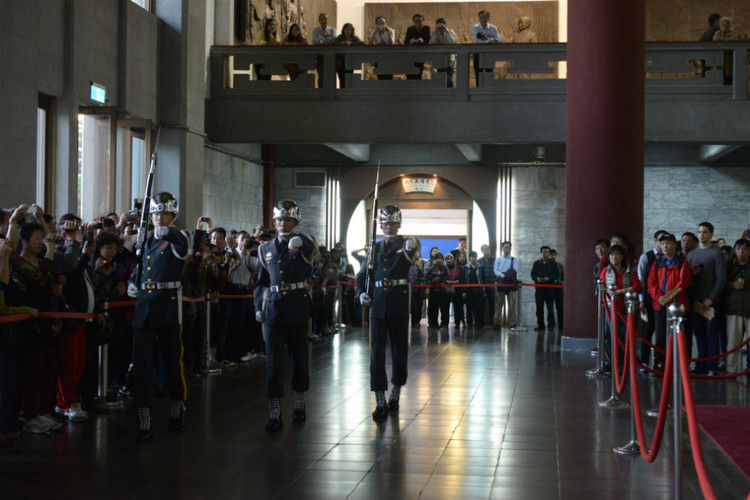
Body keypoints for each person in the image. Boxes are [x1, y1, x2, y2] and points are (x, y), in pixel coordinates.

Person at [127, 192, 203, 442]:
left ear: (173, 216)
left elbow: (186, 251)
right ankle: (145, 417)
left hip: (169, 305)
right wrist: (133, 281)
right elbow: (143, 268)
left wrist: (168, 233)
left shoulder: (178, 236)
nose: (159, 218)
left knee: (172, 361)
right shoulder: (146, 240)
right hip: (145, 306)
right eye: (156, 214)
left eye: (164, 214)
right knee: (142, 364)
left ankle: (176, 404)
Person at [254, 200, 316, 431]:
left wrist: (300, 245)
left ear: (295, 221)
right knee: (272, 362)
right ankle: (274, 410)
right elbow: (261, 282)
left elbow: (310, 251)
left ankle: (299, 402)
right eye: (279, 219)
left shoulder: (303, 243)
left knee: (299, 358)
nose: (282, 223)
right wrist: (258, 307)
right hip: (273, 309)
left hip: (297, 307)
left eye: (287, 219)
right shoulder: (265, 249)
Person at [356, 205, 419, 420]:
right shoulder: (374, 247)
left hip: (399, 303)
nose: (389, 226)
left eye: (393, 222)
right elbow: (363, 274)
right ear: (380, 225)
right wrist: (360, 293)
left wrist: (412, 246)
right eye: (385, 223)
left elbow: (412, 254)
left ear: (399, 224)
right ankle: (380, 398)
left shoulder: (406, 244)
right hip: (378, 303)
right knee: (376, 353)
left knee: (399, 351)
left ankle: (396, 391)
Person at [647, 233, 691, 372]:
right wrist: (659, 297)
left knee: (680, 336)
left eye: (668, 243)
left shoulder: (682, 262)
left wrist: (668, 297)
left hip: (677, 305)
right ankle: (659, 364)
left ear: (674, 245)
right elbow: (651, 282)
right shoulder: (657, 262)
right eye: (663, 243)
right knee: (660, 336)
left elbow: (682, 283)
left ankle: (681, 365)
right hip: (659, 305)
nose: (665, 246)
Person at [687, 221, 726, 375]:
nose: (702, 235)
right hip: (695, 300)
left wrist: (711, 298)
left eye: (705, 232)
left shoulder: (716, 253)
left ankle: (711, 366)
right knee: (699, 334)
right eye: (699, 232)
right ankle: (701, 365)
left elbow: (721, 279)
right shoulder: (692, 254)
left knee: (711, 334)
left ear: (711, 234)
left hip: (711, 301)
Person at [601, 245, 642, 373]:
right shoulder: (606, 271)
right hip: (611, 307)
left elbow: (637, 286)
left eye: (617, 254)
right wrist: (612, 293)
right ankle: (615, 363)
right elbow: (602, 287)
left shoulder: (630, 271)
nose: (614, 257)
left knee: (627, 336)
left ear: (622, 256)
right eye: (612, 255)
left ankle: (626, 363)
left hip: (627, 307)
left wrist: (621, 291)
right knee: (615, 335)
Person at [530, 246, 559, 331]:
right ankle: (540, 325)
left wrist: (549, 278)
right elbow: (532, 274)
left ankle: (551, 325)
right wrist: (536, 278)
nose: (545, 253)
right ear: (541, 253)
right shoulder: (536, 263)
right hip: (539, 289)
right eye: (544, 252)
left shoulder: (553, 263)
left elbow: (556, 275)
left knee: (550, 308)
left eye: (547, 252)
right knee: (539, 308)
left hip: (550, 289)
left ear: (549, 253)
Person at [471, 10, 502, 86]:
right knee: (478, 73)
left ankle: (489, 90)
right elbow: (478, 40)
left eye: (485, 17)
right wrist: (490, 40)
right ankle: (479, 90)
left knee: (489, 73)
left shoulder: (493, 28)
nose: (483, 19)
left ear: (488, 18)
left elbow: (499, 40)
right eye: (481, 18)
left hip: (489, 53)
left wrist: (487, 39)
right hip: (478, 53)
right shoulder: (475, 27)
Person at [494, 241, 519, 329]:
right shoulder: (498, 259)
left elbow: (515, 271)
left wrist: (504, 276)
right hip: (500, 283)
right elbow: (495, 271)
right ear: (502, 248)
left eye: (508, 247)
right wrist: (503, 276)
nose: (507, 249)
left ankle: (512, 323)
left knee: (512, 304)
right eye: (505, 247)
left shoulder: (514, 260)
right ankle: (497, 322)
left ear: (511, 249)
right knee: (499, 304)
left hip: (511, 284)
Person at [334, 23, 364, 88]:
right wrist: (343, 43)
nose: (348, 31)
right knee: (341, 78)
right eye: (346, 29)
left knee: (349, 78)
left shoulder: (354, 38)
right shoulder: (340, 38)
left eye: (349, 29)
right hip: (341, 62)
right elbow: (335, 44)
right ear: (343, 30)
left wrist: (351, 43)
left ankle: (348, 92)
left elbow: (361, 43)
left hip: (350, 61)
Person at [312, 13, 337, 89]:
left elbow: (334, 41)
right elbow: (315, 42)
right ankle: (321, 93)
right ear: (319, 21)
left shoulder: (333, 30)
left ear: (328, 20)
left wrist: (322, 42)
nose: (324, 21)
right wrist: (323, 36)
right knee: (321, 75)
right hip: (320, 55)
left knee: (331, 75)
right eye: (322, 19)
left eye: (325, 19)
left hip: (331, 55)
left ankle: (331, 93)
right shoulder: (316, 30)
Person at [430, 18, 456, 87]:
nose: (440, 28)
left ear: (445, 25)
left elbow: (452, 42)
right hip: (440, 59)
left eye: (442, 26)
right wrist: (435, 33)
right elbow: (433, 43)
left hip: (450, 59)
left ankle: (450, 94)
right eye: (438, 26)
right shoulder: (435, 33)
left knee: (449, 79)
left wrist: (446, 31)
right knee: (441, 79)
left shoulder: (451, 31)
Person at [426, 252, 449, 328]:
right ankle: (433, 323)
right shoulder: (432, 267)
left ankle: (444, 324)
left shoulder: (444, 267)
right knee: (432, 309)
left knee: (444, 308)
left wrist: (443, 265)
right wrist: (431, 281)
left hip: (442, 290)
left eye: (440, 258)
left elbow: (447, 275)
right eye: (437, 258)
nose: (439, 260)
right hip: (433, 290)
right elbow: (426, 276)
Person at [404, 14, 430, 80]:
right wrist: (410, 41)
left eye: (420, 21)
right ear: (413, 22)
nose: (418, 23)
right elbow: (406, 41)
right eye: (417, 21)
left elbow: (428, 40)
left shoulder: (426, 28)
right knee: (409, 74)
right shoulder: (410, 29)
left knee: (418, 73)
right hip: (410, 55)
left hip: (421, 55)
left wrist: (423, 41)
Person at [550, 249, 564, 330]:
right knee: (550, 307)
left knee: (560, 307)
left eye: (554, 255)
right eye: (551, 255)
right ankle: (551, 325)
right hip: (550, 288)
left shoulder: (560, 265)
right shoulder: (547, 265)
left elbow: (564, 276)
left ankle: (561, 325)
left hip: (559, 288)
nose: (553, 256)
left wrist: (561, 283)